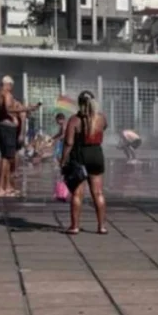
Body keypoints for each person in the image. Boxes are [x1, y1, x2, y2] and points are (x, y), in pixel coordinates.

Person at [60, 91, 108, 235]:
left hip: (80, 157)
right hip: (97, 155)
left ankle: (74, 226)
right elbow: (103, 128)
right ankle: (101, 227)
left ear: (79, 103)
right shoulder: (102, 118)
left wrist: (63, 160)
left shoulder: (74, 120)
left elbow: (68, 142)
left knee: (77, 193)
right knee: (98, 192)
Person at [0, 76, 40, 198]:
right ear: (8, 84)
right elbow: (8, 109)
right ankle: (0, 188)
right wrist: (27, 108)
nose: (11, 89)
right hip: (6, 128)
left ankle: (6, 187)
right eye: (11, 86)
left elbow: (4, 110)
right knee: (6, 158)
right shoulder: (6, 94)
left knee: (8, 158)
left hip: (0, 126)